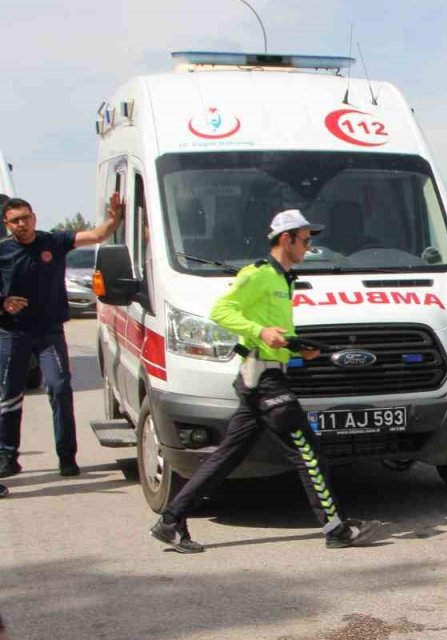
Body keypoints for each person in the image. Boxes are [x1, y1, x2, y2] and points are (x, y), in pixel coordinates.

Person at [149, 209, 382, 553]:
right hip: (264, 379)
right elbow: (222, 311)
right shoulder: (257, 275)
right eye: (304, 240)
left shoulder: (285, 279)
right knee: (308, 450)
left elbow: (276, 332)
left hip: (263, 376)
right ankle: (335, 527)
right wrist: (260, 332)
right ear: (285, 239)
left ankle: (170, 521)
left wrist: (296, 348)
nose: (309, 246)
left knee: (226, 455)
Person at [0, 194, 125, 479]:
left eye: (27, 218)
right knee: (9, 395)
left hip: (48, 333)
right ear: (7, 224)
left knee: (59, 388)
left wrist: (114, 218)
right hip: (12, 333)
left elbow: (95, 235)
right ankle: (7, 457)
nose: (23, 224)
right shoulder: (3, 252)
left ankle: (67, 457)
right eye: (16, 220)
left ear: (34, 217)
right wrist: (3, 303)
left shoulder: (52, 242)